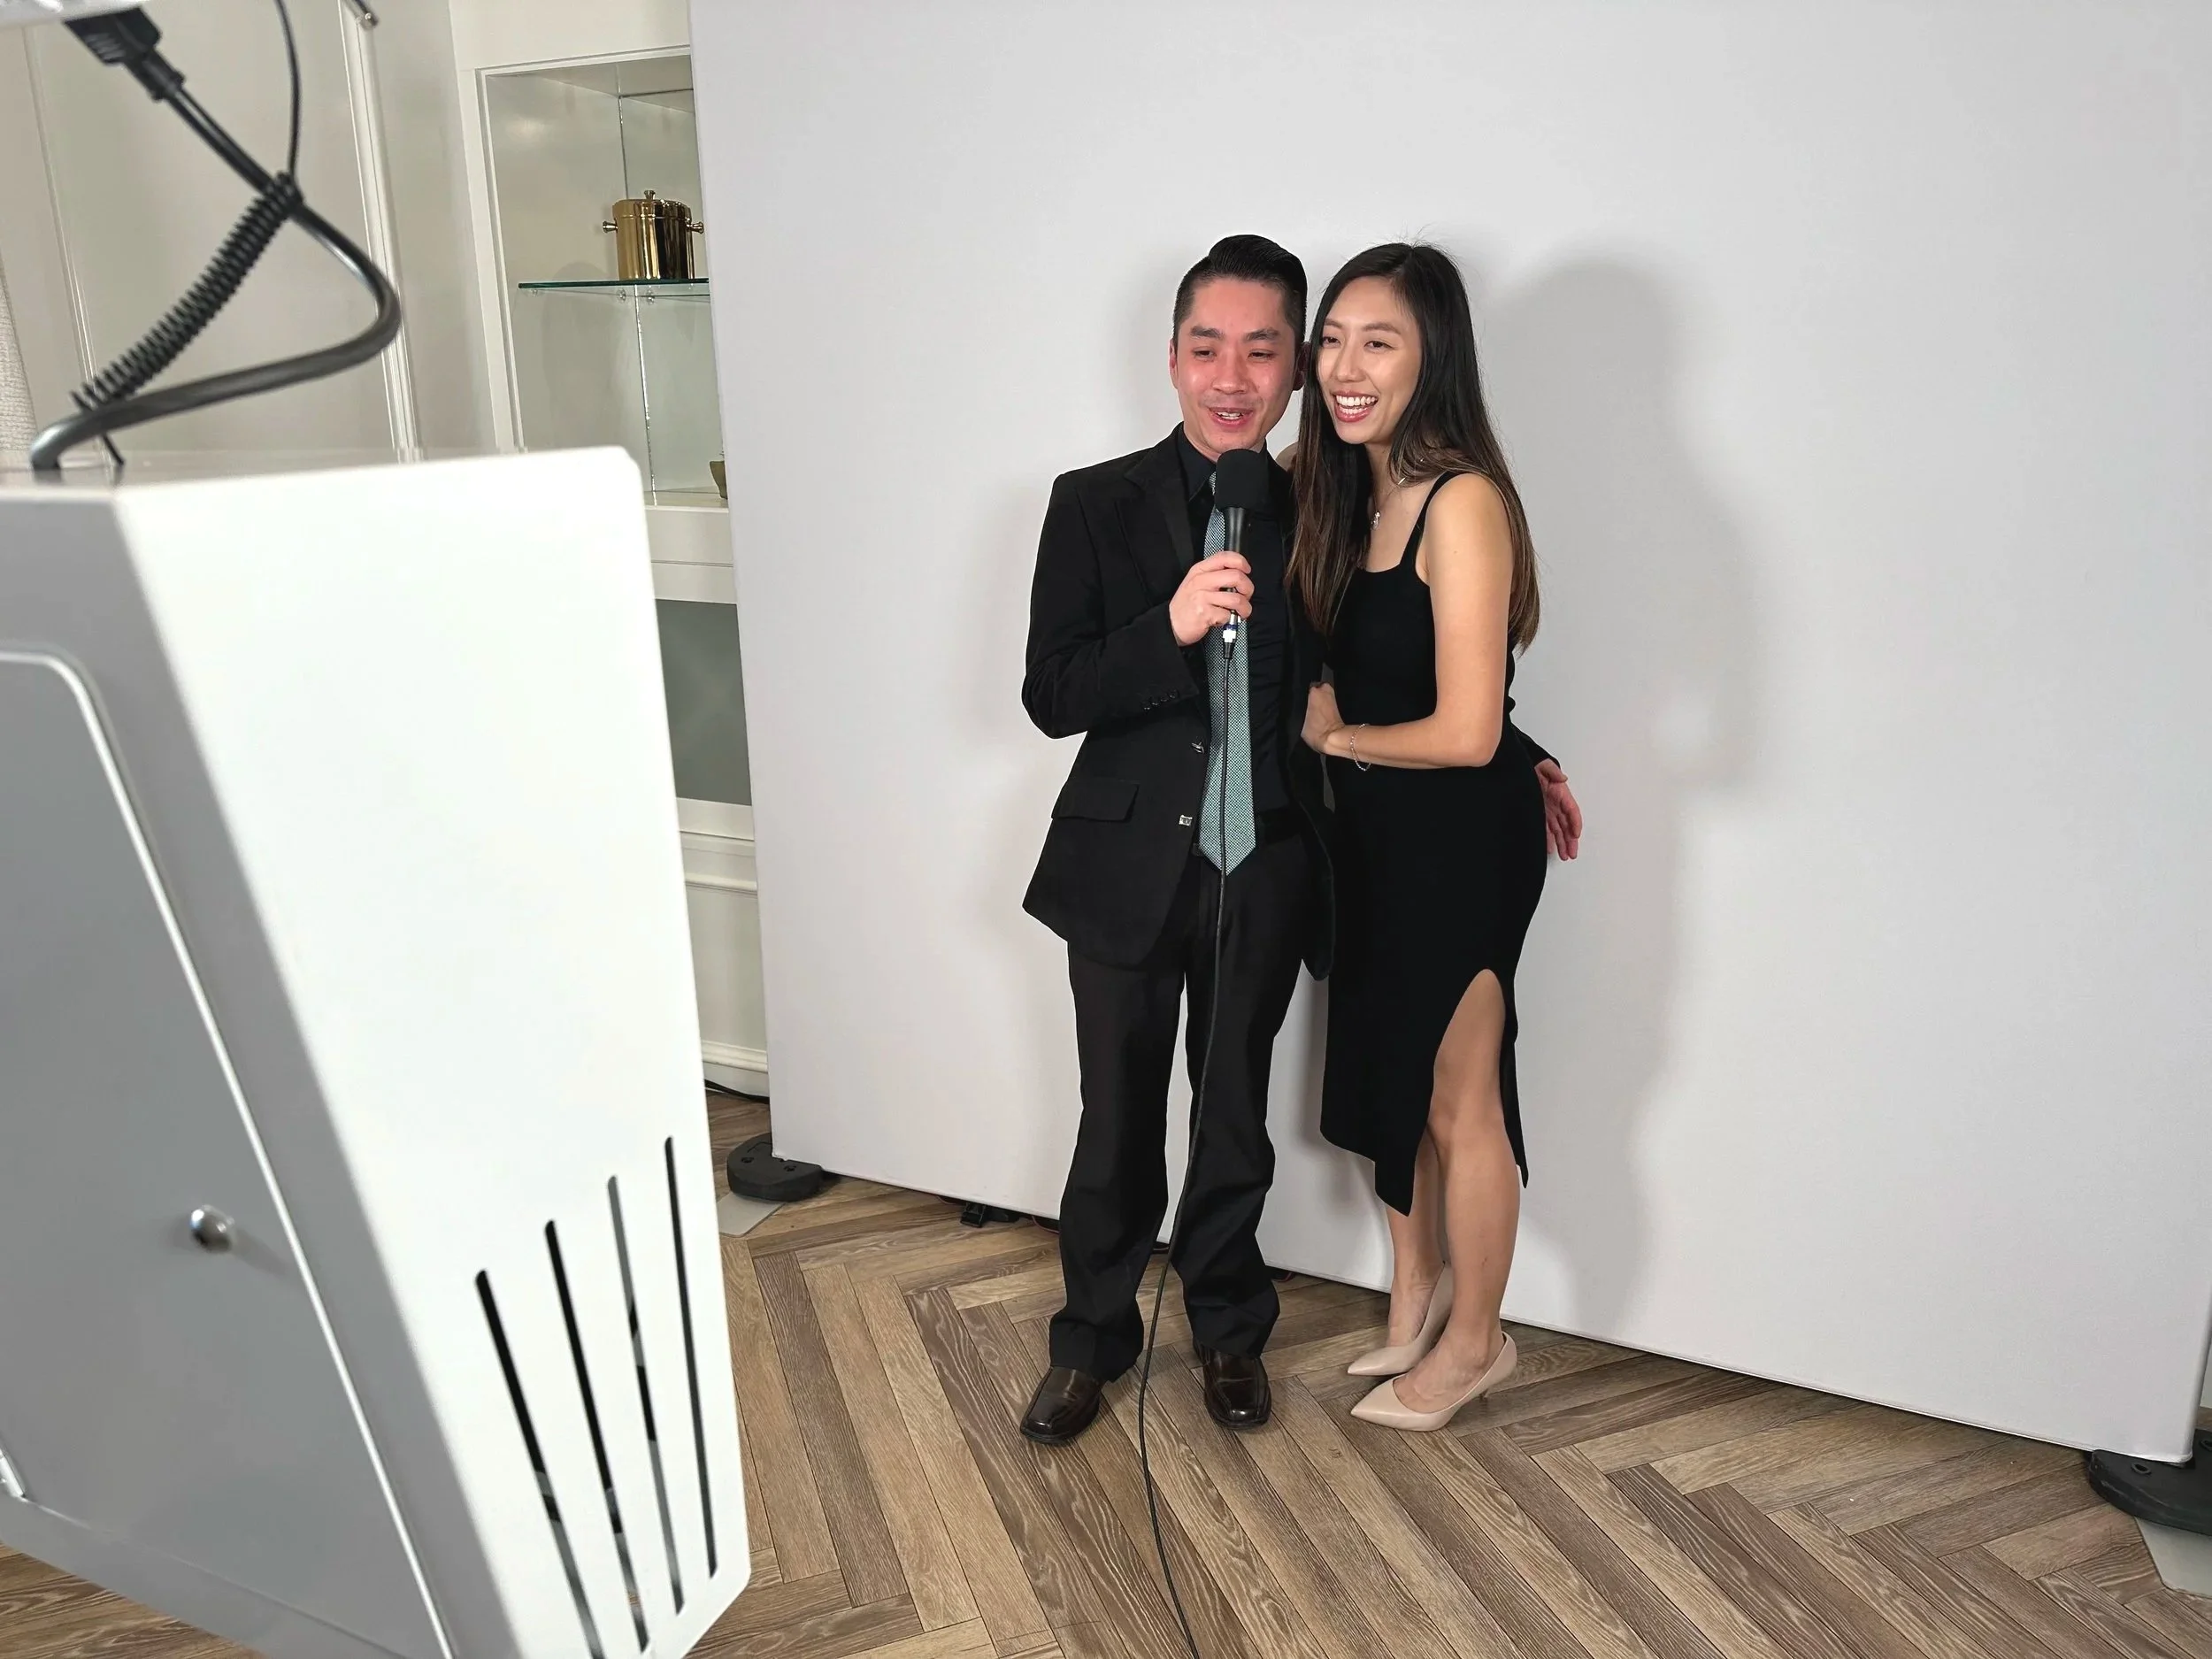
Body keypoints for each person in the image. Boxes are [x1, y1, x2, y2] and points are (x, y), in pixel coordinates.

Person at [1018, 235, 1578, 1445]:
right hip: (1122, 865)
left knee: (1233, 1118)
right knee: (1113, 1118)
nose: (1235, 374)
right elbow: (1050, 691)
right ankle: (1091, 1341)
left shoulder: (1320, 504)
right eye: (1208, 347)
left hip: (1271, 861)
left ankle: (1227, 1331)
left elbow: (1401, 654)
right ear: (1172, 358)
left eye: (1265, 349)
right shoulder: (1091, 502)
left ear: (1287, 374)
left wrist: (1519, 750)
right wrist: (1165, 627)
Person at [1294, 242, 1579, 1432]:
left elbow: (1463, 730)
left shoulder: (1462, 501)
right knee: (1393, 1079)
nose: (1344, 368)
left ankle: (1476, 1345)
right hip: (1372, 838)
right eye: (1333, 339)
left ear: (1435, 357)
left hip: (1459, 842)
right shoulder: (1349, 487)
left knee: (1463, 1100)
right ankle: (1414, 1295)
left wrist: (1338, 737)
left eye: (1380, 342)